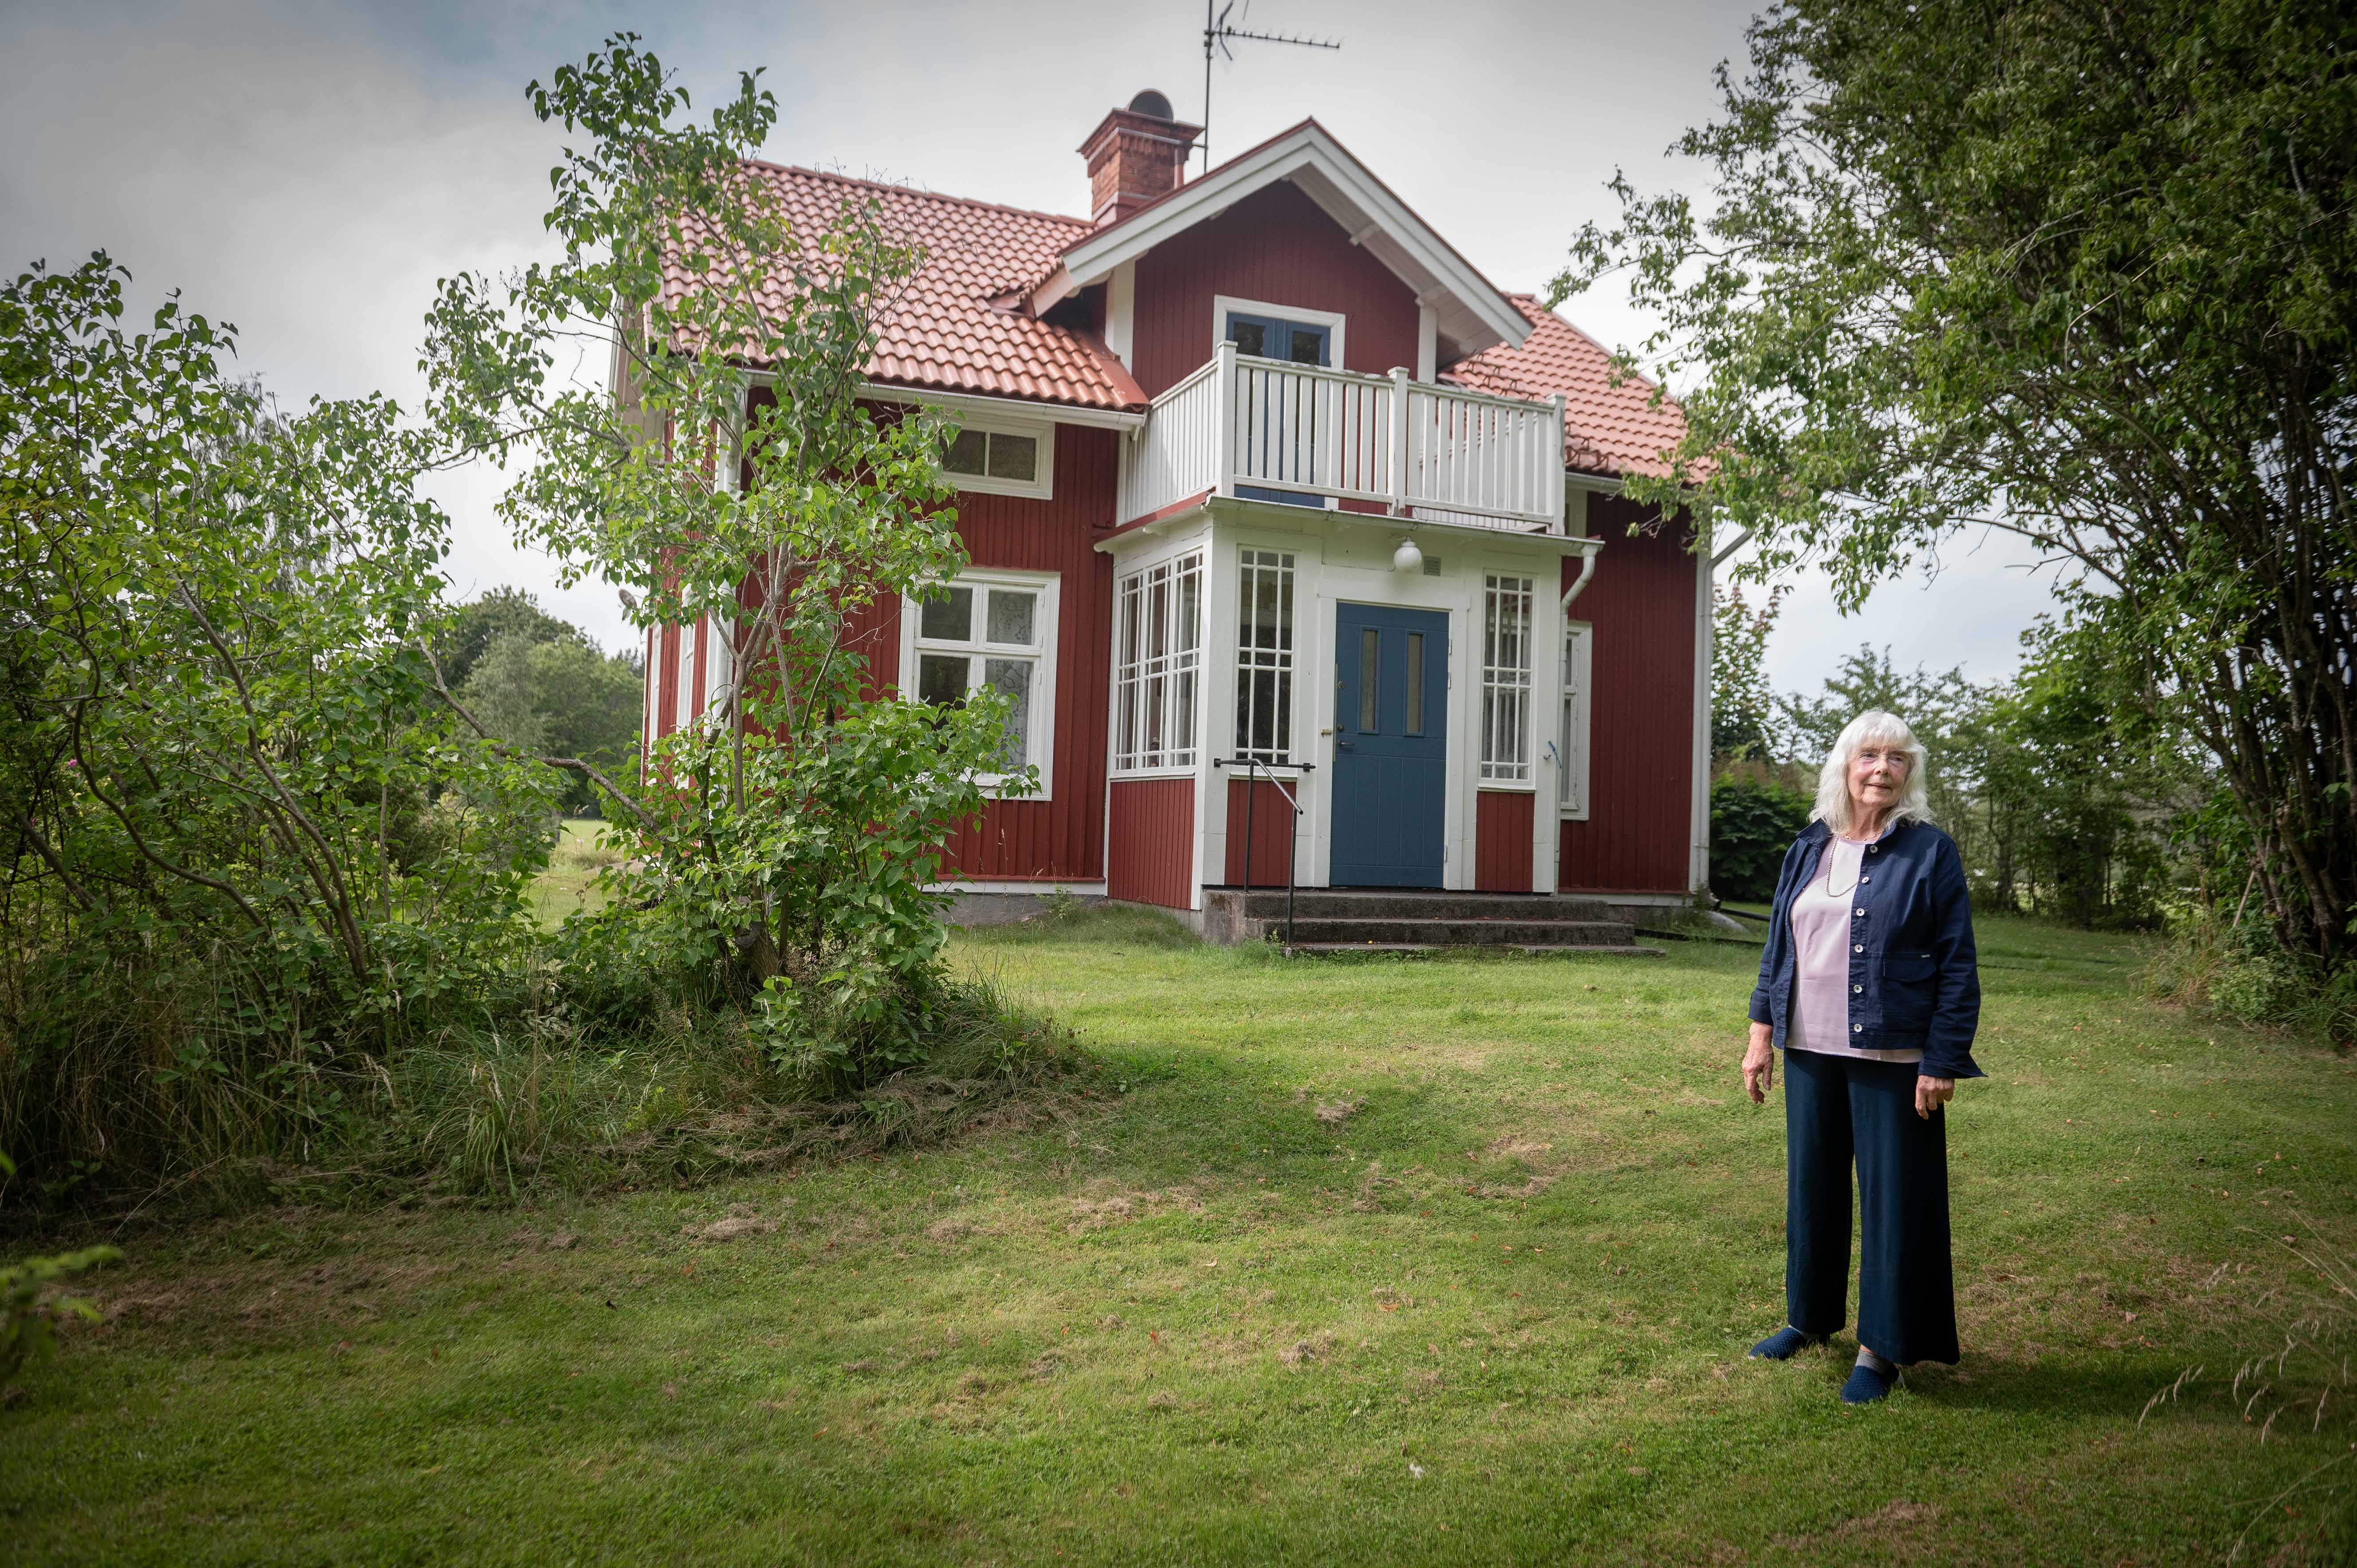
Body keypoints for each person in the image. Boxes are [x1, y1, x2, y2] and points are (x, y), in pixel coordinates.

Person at [1739, 710, 1982, 1403]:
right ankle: (1808, 1320)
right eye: (1870, 756)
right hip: (1810, 1047)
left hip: (1895, 1054)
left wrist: (1942, 1057)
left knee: (1894, 1202)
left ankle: (1881, 1350)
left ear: (1910, 775)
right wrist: (1762, 1034)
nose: (1882, 769)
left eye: (1897, 759)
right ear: (1846, 767)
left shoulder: (1929, 852)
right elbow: (1778, 949)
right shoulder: (1808, 846)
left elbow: (1958, 965)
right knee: (1812, 1190)